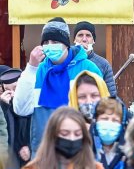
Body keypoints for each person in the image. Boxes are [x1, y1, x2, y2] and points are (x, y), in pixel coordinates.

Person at [13, 17, 104, 155]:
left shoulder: (88, 68)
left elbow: (102, 107)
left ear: (66, 44)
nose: (50, 45)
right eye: (46, 42)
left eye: (55, 42)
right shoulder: (38, 70)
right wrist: (31, 68)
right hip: (44, 152)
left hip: (80, 151)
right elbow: (21, 109)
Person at [73, 20, 117, 97]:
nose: (84, 39)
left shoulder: (103, 64)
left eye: (88, 35)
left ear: (93, 41)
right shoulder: (67, 61)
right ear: (74, 40)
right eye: (80, 35)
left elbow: (111, 95)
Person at [0, 65, 30, 169]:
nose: (12, 93)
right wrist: (2, 107)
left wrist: (29, 146)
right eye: (7, 89)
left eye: (15, 88)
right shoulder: (5, 107)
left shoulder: (31, 106)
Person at [92, 97, 128, 169]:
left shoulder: (129, 153)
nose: (109, 123)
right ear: (95, 120)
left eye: (115, 120)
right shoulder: (85, 149)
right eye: (104, 119)